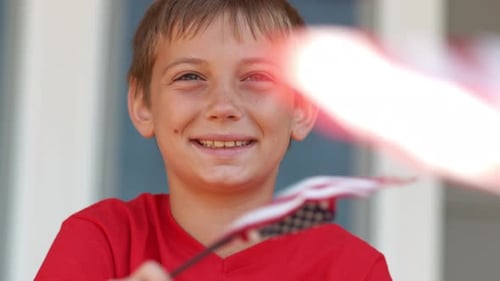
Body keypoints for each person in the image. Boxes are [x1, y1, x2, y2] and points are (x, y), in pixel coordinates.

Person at [35, 1, 392, 280]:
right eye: (190, 76)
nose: (223, 106)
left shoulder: (353, 270)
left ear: (301, 107)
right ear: (143, 104)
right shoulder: (102, 241)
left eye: (256, 77)